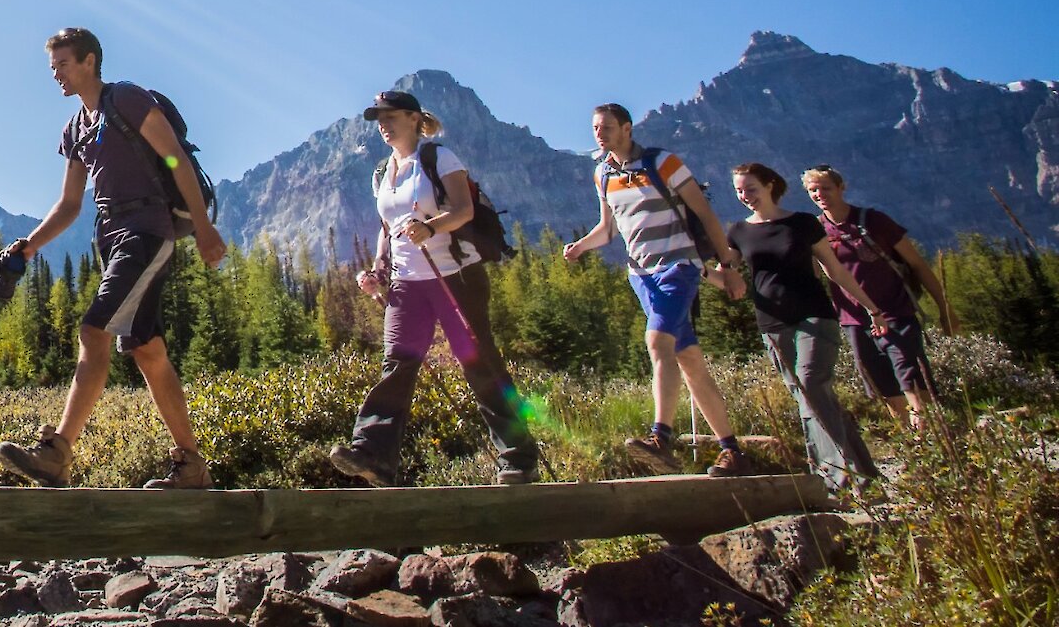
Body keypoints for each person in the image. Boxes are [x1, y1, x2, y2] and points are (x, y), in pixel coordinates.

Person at [0, 27, 230, 489]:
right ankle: (192, 468)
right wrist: (30, 246)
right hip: (112, 238)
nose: (56, 74)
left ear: (89, 61)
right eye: (52, 66)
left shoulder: (128, 100)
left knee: (93, 329)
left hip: (147, 231)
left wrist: (202, 227)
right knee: (147, 350)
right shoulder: (75, 129)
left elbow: (176, 157)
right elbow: (69, 206)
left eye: (63, 64)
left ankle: (57, 453)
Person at [326, 90, 540, 487]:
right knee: (397, 362)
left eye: (390, 118)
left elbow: (463, 210)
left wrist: (430, 227)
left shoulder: (439, 159)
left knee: (478, 363)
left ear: (412, 119)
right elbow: (388, 228)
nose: (383, 126)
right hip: (408, 282)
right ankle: (373, 454)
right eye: (379, 120)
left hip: (455, 276)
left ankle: (519, 458)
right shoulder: (382, 173)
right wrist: (378, 269)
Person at [566, 103, 753, 476]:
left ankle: (660, 439)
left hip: (679, 266)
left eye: (605, 128)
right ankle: (732, 450)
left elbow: (703, 213)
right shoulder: (602, 174)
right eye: (594, 129)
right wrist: (580, 247)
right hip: (641, 276)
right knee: (690, 362)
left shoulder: (663, 163)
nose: (599, 134)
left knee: (657, 343)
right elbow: (608, 229)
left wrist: (728, 267)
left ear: (627, 129)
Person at [725, 162, 884, 491]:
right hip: (772, 323)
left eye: (751, 188)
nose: (745, 196)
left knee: (811, 383)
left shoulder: (802, 224)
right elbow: (726, 277)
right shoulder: (738, 232)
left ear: (770, 185)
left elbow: (835, 271)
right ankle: (863, 474)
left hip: (815, 316)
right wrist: (688, 267)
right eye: (739, 190)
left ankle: (835, 479)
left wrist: (872, 309)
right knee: (811, 396)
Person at [802, 164, 957, 430]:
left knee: (911, 377)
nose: (820, 194)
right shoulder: (816, 231)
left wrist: (945, 309)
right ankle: (909, 439)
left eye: (825, 188)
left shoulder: (874, 221)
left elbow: (918, 265)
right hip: (854, 319)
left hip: (895, 312)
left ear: (841, 187)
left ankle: (929, 437)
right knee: (882, 384)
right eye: (813, 190)